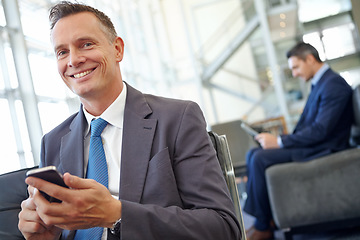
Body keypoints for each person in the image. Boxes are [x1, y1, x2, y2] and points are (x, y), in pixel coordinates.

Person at [17, 2, 241, 240]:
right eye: (62, 52)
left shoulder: (177, 119)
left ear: (117, 49)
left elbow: (222, 227)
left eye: (86, 44)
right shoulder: (52, 142)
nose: (73, 60)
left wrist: (117, 214)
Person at [244, 42, 353, 240]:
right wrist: (281, 139)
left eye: (296, 67)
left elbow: (321, 130)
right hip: (315, 143)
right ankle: (265, 219)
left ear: (310, 59)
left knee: (259, 158)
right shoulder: (321, 83)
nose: (294, 74)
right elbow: (310, 126)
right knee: (253, 154)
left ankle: (263, 226)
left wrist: (279, 142)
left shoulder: (333, 84)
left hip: (325, 147)